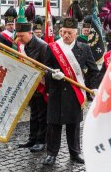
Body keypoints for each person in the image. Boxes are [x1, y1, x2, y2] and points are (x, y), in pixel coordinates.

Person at [42, 17, 100, 165]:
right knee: (54, 125)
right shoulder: (53, 48)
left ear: (76, 33)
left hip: (75, 94)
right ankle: (51, 154)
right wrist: (52, 75)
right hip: (57, 92)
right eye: (64, 32)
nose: (66, 35)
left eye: (70, 33)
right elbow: (44, 70)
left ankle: (75, 153)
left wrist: (93, 87)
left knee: (73, 125)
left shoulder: (84, 48)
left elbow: (94, 70)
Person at [15, 7, 48, 153]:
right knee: (33, 114)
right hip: (30, 86)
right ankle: (32, 139)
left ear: (30, 33)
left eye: (21, 36)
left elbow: (47, 68)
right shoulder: (23, 46)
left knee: (42, 115)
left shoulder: (42, 46)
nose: (19, 39)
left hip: (41, 86)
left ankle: (42, 141)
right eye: (18, 36)